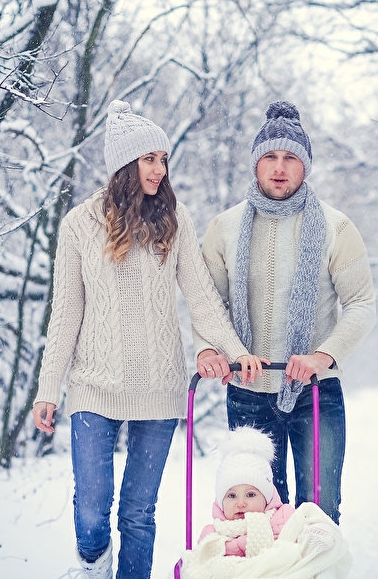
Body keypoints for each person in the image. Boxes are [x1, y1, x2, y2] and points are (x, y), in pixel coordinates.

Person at [32, 99, 250, 579]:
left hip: (158, 386)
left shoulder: (174, 218)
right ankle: (94, 567)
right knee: (92, 509)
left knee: (138, 513)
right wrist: (48, 389)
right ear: (124, 164)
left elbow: (202, 296)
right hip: (93, 385)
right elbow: (65, 314)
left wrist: (236, 352)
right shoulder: (79, 224)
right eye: (149, 159)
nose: (159, 170)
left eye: (163, 159)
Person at [195, 100, 375, 524]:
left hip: (316, 390)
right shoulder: (224, 227)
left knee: (319, 514)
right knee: (255, 518)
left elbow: (362, 305)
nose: (279, 168)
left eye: (290, 158)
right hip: (248, 391)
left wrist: (321, 356)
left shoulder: (336, 227)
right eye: (270, 157)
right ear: (256, 163)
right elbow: (208, 304)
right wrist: (208, 350)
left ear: (305, 165)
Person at [196, 427, 295, 559]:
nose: (241, 503)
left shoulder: (283, 519)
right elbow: (202, 560)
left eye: (250, 495)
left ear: (266, 498)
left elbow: (290, 549)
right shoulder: (212, 535)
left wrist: (240, 544)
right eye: (232, 496)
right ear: (221, 502)